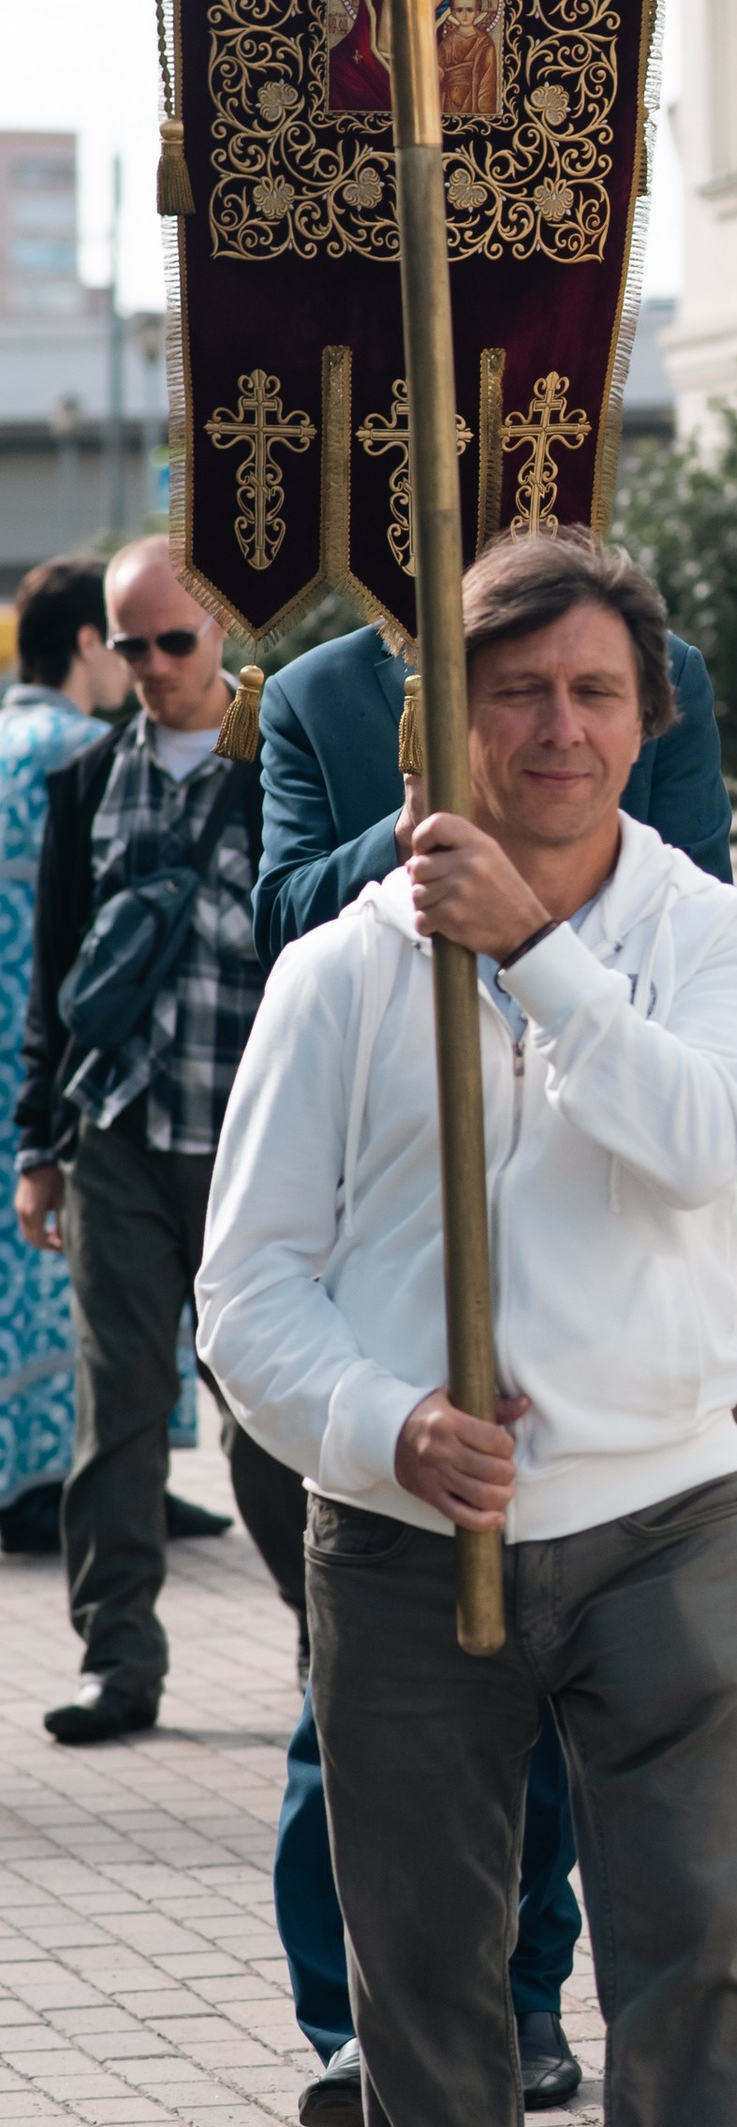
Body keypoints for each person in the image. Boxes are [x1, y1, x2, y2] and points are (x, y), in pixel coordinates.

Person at [197, 533, 737, 2127]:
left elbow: (698, 1141)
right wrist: (383, 1421)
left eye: (595, 692)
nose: (558, 729)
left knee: (699, 1972)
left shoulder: (721, 942)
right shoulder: (336, 974)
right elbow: (245, 1288)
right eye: (517, 692)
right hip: (400, 1542)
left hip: (662, 1525)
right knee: (424, 1994)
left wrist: (535, 951)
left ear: (648, 715)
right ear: (449, 723)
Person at [13, 537, 306, 1746]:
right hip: (121, 1129)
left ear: (223, 633)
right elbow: (56, 977)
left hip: (254, 1136)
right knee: (116, 1409)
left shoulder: (286, 764)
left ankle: (322, 1646)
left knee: (269, 1412)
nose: (148, 665)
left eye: (171, 641)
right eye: (128, 644)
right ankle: (118, 1659)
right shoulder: (87, 779)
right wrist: (41, 1143)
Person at [251, 598, 727, 964]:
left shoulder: (657, 666)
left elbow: (699, 918)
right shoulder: (311, 695)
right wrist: (407, 831)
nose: (562, 731)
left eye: (593, 693)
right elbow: (283, 930)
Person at [1, 564, 134, 1555]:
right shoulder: (96, 752)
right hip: (67, 1051)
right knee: (68, 1274)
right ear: (91, 643)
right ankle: (70, 1480)